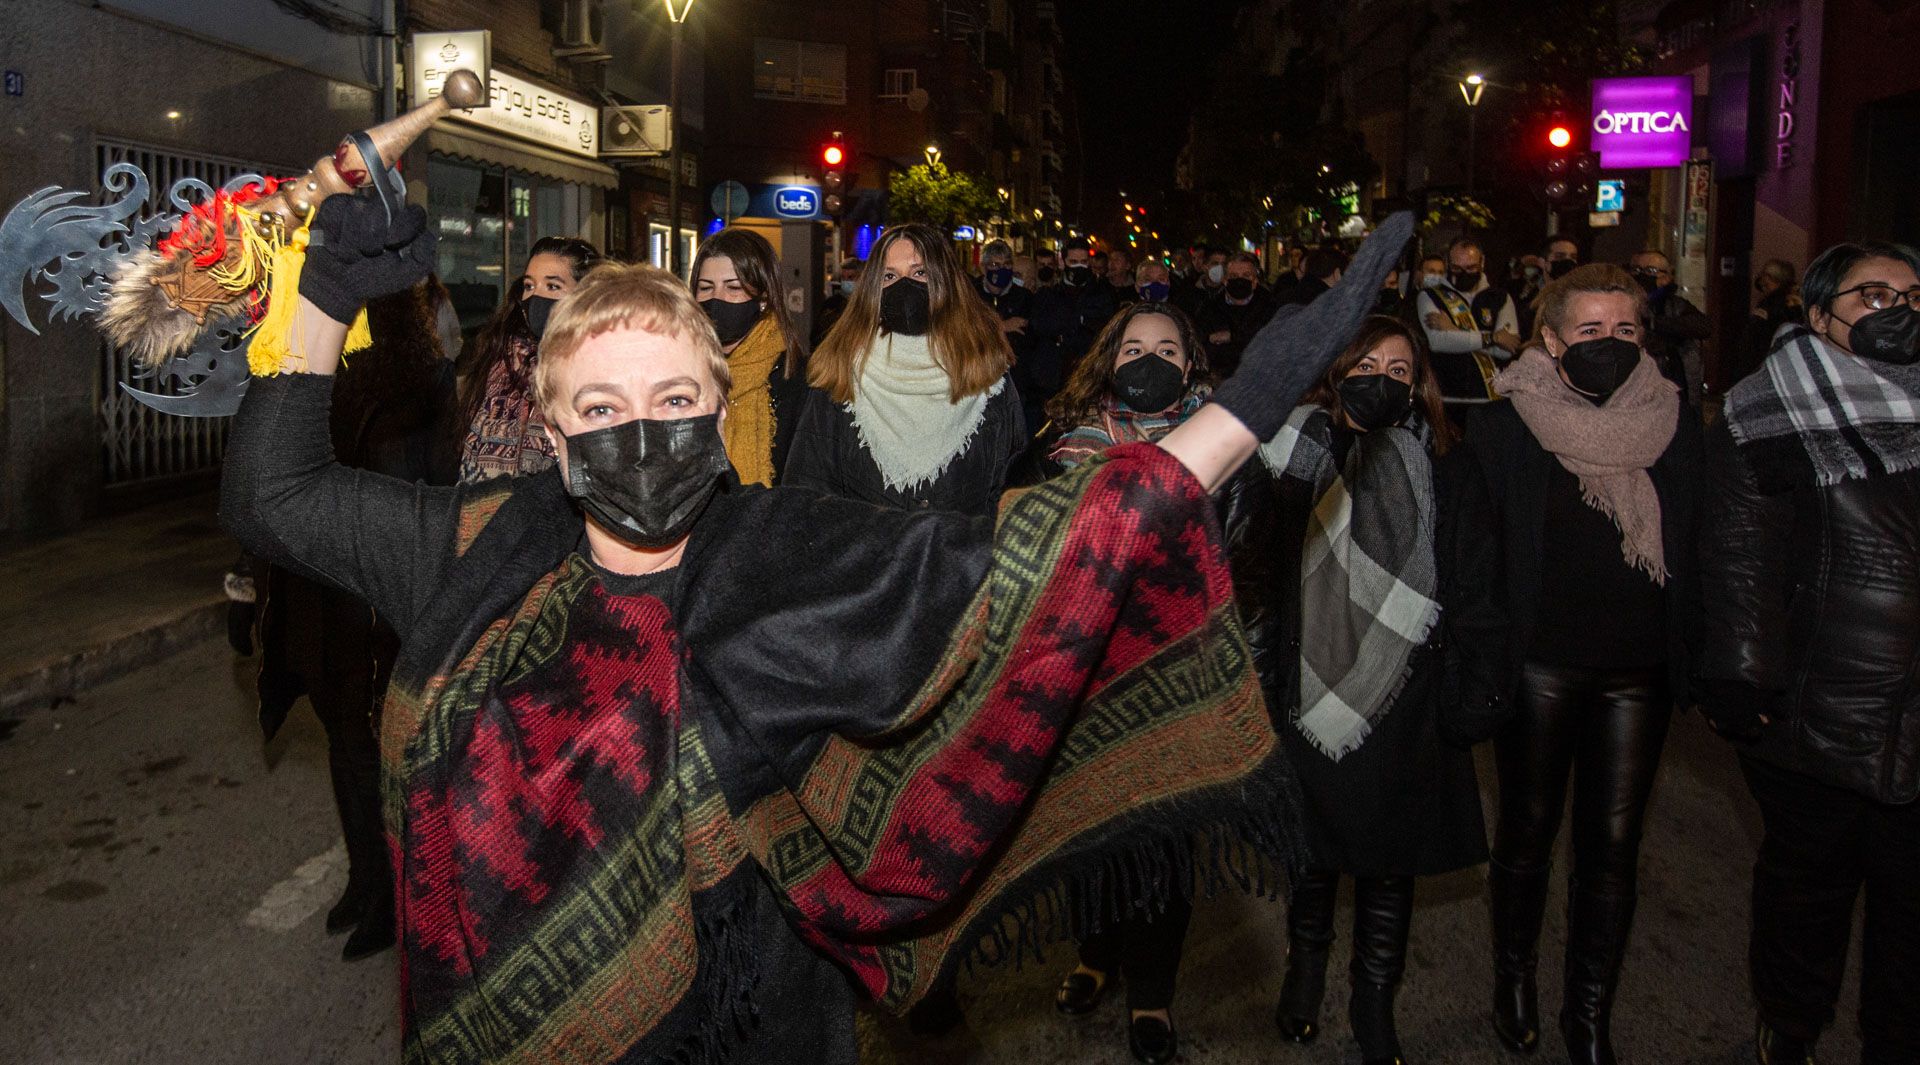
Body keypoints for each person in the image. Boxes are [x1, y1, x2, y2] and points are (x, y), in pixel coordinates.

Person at [219, 192, 1416, 1065]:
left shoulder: (790, 547)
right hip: (515, 1026)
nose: (644, 431)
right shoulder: (473, 543)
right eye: (603, 407)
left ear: (713, 396)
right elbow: (274, 500)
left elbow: (1046, 554)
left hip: (755, 1022)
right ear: (552, 419)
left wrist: (1250, 405)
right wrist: (323, 301)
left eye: (676, 401)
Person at [1447, 263, 1701, 1065]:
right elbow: (1478, 566)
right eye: (1590, 331)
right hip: (1539, 668)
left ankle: (1588, 1010)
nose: (1611, 345)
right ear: (1551, 340)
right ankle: (1514, 977)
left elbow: (1703, 541)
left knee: (1613, 849)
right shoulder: (1502, 430)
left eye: (1626, 330)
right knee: (1526, 833)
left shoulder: (1677, 424)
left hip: (1639, 671)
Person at [1699, 240, 1920, 1065]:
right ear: (1820, 315)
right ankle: (1789, 1026)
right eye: (1875, 295)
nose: (1900, 310)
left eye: (1914, 297)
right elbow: (1738, 552)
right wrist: (1746, 674)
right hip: (1818, 706)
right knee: (1808, 891)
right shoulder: (1768, 412)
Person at [1247, 317, 1483, 1065]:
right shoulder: (1288, 451)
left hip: (1403, 690)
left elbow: (1475, 577)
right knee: (1313, 851)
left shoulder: (1443, 459)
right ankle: (1304, 971)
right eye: (1366, 363)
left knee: (1389, 862)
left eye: (1401, 369)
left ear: (1420, 384)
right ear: (1334, 368)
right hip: (1304, 679)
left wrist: (1474, 687)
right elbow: (1251, 568)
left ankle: (1374, 1003)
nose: (1383, 378)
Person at [249, 279, 457, 963]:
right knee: (342, 738)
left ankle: (396, 895)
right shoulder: (305, 377)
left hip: (376, 598)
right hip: (315, 591)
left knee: (382, 747)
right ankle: (364, 879)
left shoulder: (417, 388)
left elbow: (422, 495)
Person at [1036, 301, 1221, 1064]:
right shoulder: (1065, 449)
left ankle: (1152, 995)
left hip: (1181, 668)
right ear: (1108, 361)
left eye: (1166, 348)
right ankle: (1093, 956)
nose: (1148, 359)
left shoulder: (1227, 451)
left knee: (1165, 844)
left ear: (1190, 366)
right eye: (1133, 347)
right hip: (1086, 673)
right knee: (1091, 835)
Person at [785, 223, 1026, 516]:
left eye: (919, 273)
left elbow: (1011, 497)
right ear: (872, 289)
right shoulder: (839, 375)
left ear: (945, 281)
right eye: (889, 276)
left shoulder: (988, 377)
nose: (905, 285)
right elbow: (807, 495)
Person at [455, 235, 601, 483]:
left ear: (585, 296)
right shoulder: (500, 363)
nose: (536, 297)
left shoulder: (596, 371)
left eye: (553, 287)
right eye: (529, 286)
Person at [690, 229, 809, 486]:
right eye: (705, 288)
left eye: (733, 287)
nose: (716, 299)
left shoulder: (800, 380)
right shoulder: (681, 373)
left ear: (764, 297)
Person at [1417, 237, 1522, 424]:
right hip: (1445, 400)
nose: (1464, 273)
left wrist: (1454, 330)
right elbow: (1440, 342)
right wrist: (1493, 337)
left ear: (1482, 263)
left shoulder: (1500, 298)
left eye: (1471, 268)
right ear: (1448, 264)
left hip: (1490, 400)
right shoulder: (1430, 296)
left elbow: (1506, 350)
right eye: (1457, 268)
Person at [1028, 236, 1119, 432]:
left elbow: (1105, 325)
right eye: (1073, 262)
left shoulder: (1103, 292)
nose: (1079, 267)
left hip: (1088, 372)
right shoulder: (1048, 294)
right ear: (1063, 262)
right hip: (1053, 374)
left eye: (1084, 262)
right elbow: (1040, 326)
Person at [1629, 250, 1711, 405]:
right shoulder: (1624, 303)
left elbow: (1703, 326)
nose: (1642, 275)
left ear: (1665, 277)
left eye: (1650, 271)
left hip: (1677, 386)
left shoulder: (1676, 305)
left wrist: (1656, 323)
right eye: (1637, 269)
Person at [1196, 251, 1280, 376]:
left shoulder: (1271, 308)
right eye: (1234, 276)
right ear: (1225, 280)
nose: (1240, 281)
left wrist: (1232, 337)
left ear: (1255, 280)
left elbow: (1270, 344)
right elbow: (1202, 344)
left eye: (1246, 275)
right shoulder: (1209, 309)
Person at [1737, 258, 1804, 387]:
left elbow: (1754, 334)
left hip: (1767, 361)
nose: (1762, 282)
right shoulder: (1799, 298)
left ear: (1772, 278)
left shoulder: (1771, 303)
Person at [813, 257, 863, 346]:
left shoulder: (865, 305)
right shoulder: (831, 304)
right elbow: (816, 334)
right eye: (843, 278)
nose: (846, 281)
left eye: (850, 277)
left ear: (861, 279)